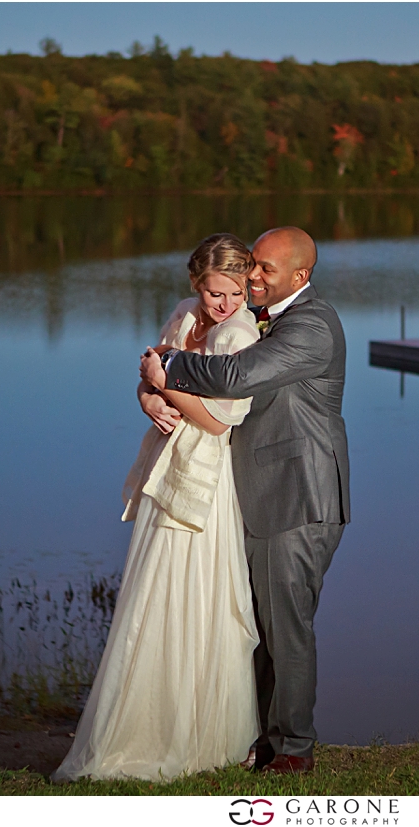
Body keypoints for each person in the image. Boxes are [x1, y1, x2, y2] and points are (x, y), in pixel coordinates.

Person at [140, 226, 349, 775]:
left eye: (266, 270)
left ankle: (295, 750)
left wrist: (169, 368)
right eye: (252, 265)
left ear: (300, 276)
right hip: (259, 493)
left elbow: (236, 375)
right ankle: (262, 739)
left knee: (287, 629)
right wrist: (149, 385)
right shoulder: (264, 318)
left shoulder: (311, 326)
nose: (252, 276)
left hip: (299, 497)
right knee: (259, 628)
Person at [52, 234, 261, 782]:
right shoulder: (184, 314)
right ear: (197, 284)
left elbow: (219, 420)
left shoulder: (241, 333)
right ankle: (143, 723)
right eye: (214, 293)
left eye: (235, 292)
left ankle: (199, 734)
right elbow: (147, 384)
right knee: (152, 594)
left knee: (195, 596)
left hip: (204, 479)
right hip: (163, 468)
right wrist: (149, 397)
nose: (223, 305)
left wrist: (166, 383)